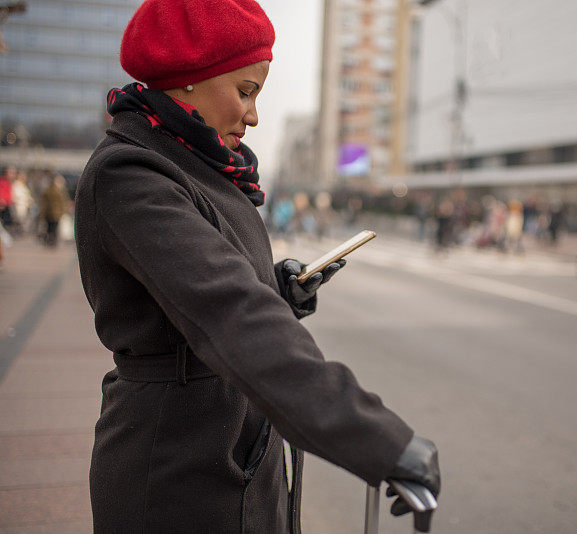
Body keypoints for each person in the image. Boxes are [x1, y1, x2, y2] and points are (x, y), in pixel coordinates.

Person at [73, 1, 439, 532]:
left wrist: (277, 289)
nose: (254, 115)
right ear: (189, 79)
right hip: (177, 472)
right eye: (245, 91)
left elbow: (214, 289)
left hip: (233, 450)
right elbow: (230, 313)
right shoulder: (132, 174)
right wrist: (380, 440)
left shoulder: (197, 164)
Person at [39, 174, 68, 247]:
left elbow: (43, 203)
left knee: (49, 227)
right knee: (54, 228)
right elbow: (62, 202)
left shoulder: (47, 190)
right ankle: (53, 241)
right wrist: (63, 211)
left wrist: (42, 213)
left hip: (48, 213)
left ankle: (49, 240)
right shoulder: (59, 191)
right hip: (56, 213)